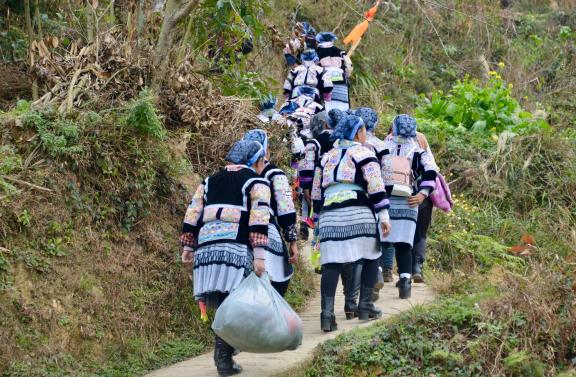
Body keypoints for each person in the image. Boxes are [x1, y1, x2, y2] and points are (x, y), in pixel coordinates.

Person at [180, 140, 270, 376]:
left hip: (207, 249)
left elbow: (193, 211)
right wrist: (260, 256)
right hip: (236, 248)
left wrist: (188, 246)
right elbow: (259, 217)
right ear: (256, 161)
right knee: (237, 302)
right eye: (263, 161)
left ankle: (225, 357)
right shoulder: (257, 182)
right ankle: (224, 355)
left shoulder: (209, 181)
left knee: (224, 302)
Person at [312, 114, 391, 332]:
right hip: (358, 212)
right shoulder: (364, 153)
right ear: (357, 132)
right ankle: (365, 305)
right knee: (371, 255)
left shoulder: (327, 156)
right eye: (364, 130)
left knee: (332, 263)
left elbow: (317, 192)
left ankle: (327, 315)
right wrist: (384, 215)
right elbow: (375, 184)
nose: (366, 134)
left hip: (329, 214)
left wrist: (318, 219)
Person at [379, 115, 438, 299]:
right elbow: (430, 171)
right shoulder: (417, 149)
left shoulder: (383, 146)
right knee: (404, 243)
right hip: (408, 201)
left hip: (385, 200)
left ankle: (377, 273)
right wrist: (422, 194)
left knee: (382, 241)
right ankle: (405, 282)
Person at [243, 130, 300, 296]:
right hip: (266, 232)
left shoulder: (238, 173)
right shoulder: (275, 174)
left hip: (239, 233)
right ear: (266, 151)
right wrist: (292, 242)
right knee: (279, 279)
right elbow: (286, 209)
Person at [315, 32, 353, 112]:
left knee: (326, 105)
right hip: (341, 80)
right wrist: (346, 75)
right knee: (343, 105)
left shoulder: (316, 52)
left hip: (325, 80)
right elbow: (349, 66)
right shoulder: (340, 51)